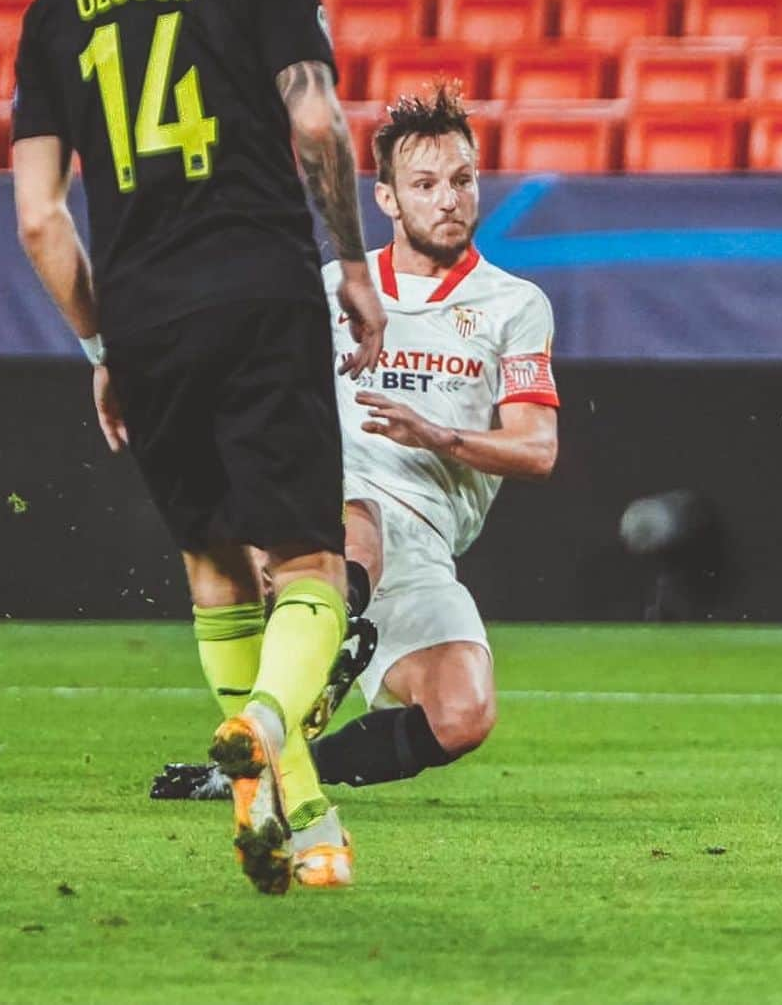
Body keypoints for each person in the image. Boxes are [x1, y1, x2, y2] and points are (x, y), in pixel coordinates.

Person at [10, 0, 386, 893]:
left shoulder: (54, 8)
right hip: (262, 289)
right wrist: (354, 261)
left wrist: (101, 346)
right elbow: (317, 124)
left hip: (147, 315)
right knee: (308, 559)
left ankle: (302, 821)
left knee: (215, 566)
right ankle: (272, 724)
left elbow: (39, 222)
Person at [153, 84, 559, 796]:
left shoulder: (515, 305)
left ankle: (274, 772)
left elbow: (538, 447)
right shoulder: (335, 288)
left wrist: (439, 435)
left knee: (464, 713)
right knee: (358, 525)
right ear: (389, 200)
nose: (449, 199)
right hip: (336, 499)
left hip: (427, 539)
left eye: (462, 180)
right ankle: (305, 659)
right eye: (425, 184)